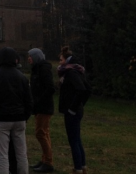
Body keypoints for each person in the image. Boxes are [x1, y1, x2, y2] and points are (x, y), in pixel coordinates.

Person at [0, 47, 32, 174]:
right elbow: (28, 100)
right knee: (21, 153)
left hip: (1, 119)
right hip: (19, 118)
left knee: (2, 154)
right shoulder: (22, 77)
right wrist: (25, 116)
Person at [58, 46, 91, 174]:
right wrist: (80, 105)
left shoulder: (71, 73)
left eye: (61, 60)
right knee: (77, 139)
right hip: (76, 110)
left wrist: (73, 107)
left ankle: (77, 168)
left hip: (72, 111)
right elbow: (87, 89)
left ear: (66, 60)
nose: (60, 63)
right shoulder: (76, 71)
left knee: (73, 140)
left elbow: (83, 90)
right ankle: (82, 166)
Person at [28, 48, 55, 173]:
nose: (28, 58)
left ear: (36, 57)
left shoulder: (43, 69)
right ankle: (45, 159)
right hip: (40, 106)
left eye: (30, 56)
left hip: (43, 107)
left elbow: (49, 88)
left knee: (40, 133)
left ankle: (48, 162)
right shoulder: (37, 69)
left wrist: (38, 101)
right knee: (45, 133)